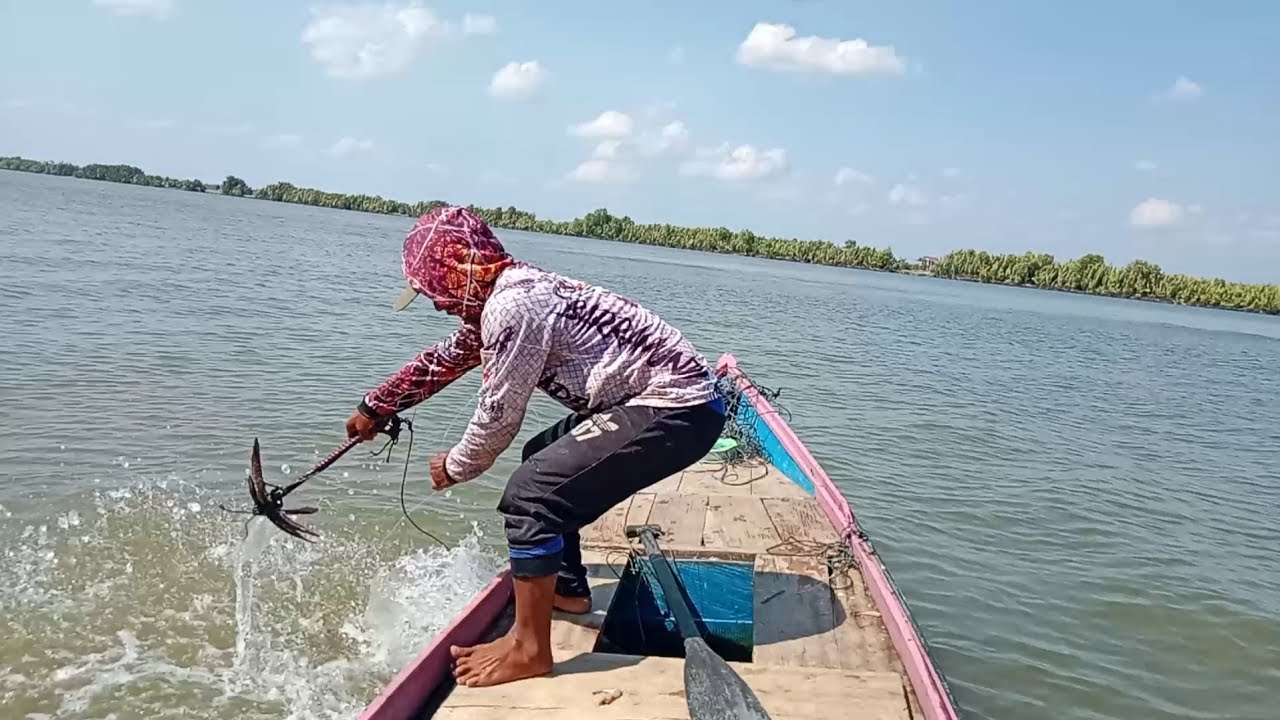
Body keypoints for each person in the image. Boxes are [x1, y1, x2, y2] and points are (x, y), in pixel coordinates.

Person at [344, 205, 726, 688]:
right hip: (665, 400)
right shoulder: (505, 294)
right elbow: (446, 359)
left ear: (461, 271)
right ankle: (567, 591)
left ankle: (530, 649)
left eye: (435, 290)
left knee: (531, 496)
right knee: (539, 458)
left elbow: (498, 415)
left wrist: (457, 465)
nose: (437, 304)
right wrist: (376, 406)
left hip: (676, 408)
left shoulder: (513, 308)